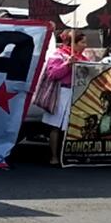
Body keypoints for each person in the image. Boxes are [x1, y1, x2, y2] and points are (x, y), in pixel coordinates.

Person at [41, 30, 88, 166]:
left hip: (76, 94)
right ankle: (54, 156)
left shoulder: (84, 58)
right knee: (55, 127)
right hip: (61, 94)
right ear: (72, 43)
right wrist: (67, 64)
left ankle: (67, 156)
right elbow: (53, 74)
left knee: (72, 127)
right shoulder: (58, 55)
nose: (85, 45)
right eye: (82, 42)